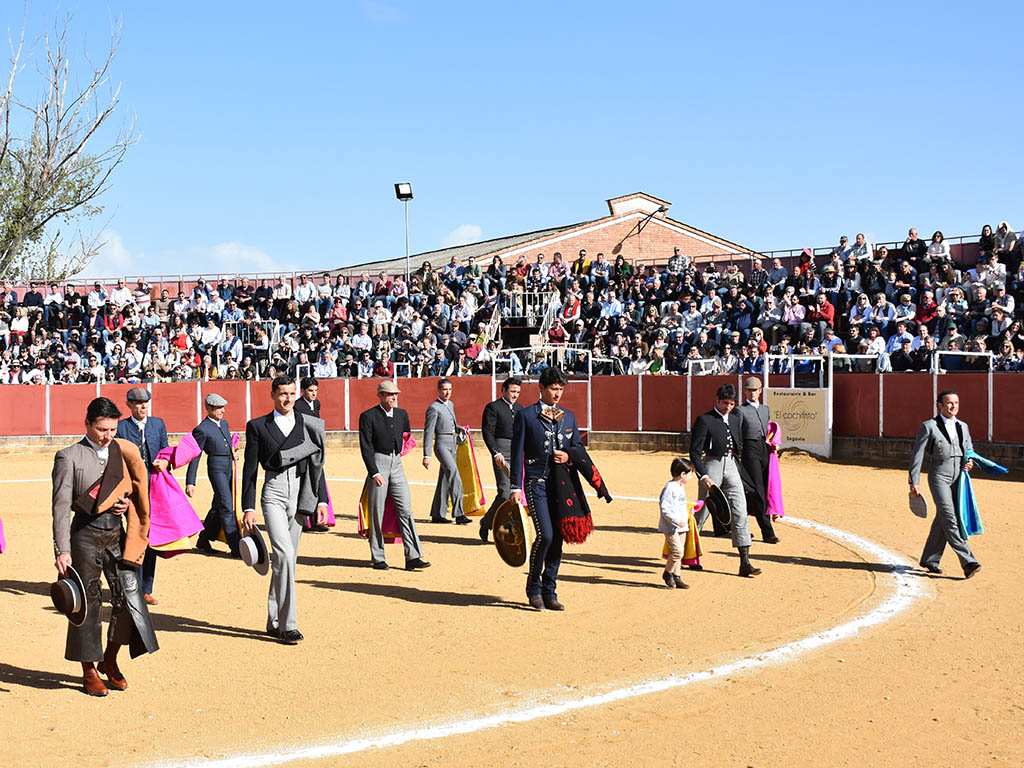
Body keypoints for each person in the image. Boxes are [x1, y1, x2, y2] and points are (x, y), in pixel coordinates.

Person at [51, 397, 157, 696]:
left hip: (117, 534)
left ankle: (110, 659)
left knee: (128, 599)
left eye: (111, 429)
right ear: (87, 424)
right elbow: (61, 507)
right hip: (84, 536)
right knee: (88, 605)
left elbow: (133, 489)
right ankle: (89, 669)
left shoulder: (122, 451)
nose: (107, 435)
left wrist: (124, 502)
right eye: (101, 429)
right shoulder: (68, 456)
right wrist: (62, 550)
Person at [241, 375, 329, 644]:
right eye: (282, 394)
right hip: (274, 492)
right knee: (285, 554)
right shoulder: (258, 426)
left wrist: (322, 499)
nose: (288, 398)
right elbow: (250, 469)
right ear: (272, 395)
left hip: (300, 491)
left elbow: (317, 463)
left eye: (292, 393)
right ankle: (288, 625)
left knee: (284, 561)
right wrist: (248, 506)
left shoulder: (307, 423)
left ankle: (274, 618)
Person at [511, 366, 583, 611]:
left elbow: (578, 449)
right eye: (553, 388)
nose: (557, 394)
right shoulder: (527, 415)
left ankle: (550, 590)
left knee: (559, 537)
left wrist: (569, 457)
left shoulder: (569, 416)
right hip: (535, 482)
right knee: (546, 535)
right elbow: (517, 451)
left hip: (561, 486)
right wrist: (514, 487)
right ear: (541, 388)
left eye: (561, 389)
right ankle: (533, 587)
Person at [689, 383, 762, 577]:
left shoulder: (735, 418)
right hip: (712, 465)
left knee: (740, 509)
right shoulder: (705, 420)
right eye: (724, 403)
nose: (727, 407)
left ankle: (745, 561)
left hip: (731, 465)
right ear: (717, 400)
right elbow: (695, 452)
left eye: (731, 404)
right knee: (702, 512)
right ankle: (687, 554)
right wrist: (703, 475)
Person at [908, 390, 981, 579]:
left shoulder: (963, 426)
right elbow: (917, 454)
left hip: (959, 478)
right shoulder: (929, 426)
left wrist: (970, 461)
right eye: (949, 403)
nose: (953, 406)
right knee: (950, 518)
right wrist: (914, 480)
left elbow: (969, 449)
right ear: (939, 405)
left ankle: (930, 559)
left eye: (956, 402)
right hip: (939, 476)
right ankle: (968, 561)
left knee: (943, 517)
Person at [358, 380, 429, 571]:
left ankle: (413, 556)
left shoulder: (401, 414)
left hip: (397, 463)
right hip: (378, 463)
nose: (394, 397)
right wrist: (374, 472)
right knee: (376, 511)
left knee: (406, 509)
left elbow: (406, 436)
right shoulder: (368, 416)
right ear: (380, 395)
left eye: (396, 394)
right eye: (390, 395)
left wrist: (401, 452)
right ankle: (378, 556)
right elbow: (366, 448)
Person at [115, 387, 169, 605]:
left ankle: (145, 588)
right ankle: (130, 585)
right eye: (137, 403)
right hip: (131, 489)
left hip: (154, 489)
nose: (143, 406)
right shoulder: (120, 428)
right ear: (129, 405)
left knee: (150, 537)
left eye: (145, 402)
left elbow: (165, 451)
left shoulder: (158, 424)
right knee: (132, 536)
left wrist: (165, 461)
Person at [186, 393, 241, 556]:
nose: (222, 410)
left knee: (219, 505)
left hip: (228, 466)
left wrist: (233, 453)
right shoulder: (202, 429)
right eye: (218, 408)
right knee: (226, 505)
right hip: (216, 468)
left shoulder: (224, 424)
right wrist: (191, 481)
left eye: (223, 407)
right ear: (208, 408)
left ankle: (204, 539)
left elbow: (225, 444)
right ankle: (236, 546)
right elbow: (195, 456)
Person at [478, 377, 523, 542]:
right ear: (503, 390)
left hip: (517, 451)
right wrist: (495, 452)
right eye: (512, 391)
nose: (515, 395)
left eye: (517, 392)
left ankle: (501, 526)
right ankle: (488, 522)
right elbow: (487, 432)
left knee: (518, 493)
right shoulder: (493, 407)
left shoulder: (520, 409)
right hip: (501, 451)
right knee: (504, 492)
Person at [736, 377, 780, 544]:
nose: (752, 393)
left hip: (764, 449)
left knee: (758, 490)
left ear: (760, 391)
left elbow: (768, 431)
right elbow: (738, 433)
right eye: (749, 390)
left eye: (755, 390)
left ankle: (738, 525)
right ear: (745, 391)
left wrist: (773, 445)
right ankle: (767, 531)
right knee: (758, 491)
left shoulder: (765, 410)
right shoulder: (740, 411)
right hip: (748, 450)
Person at [423, 378, 469, 524]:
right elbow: (429, 432)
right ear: (439, 390)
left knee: (444, 478)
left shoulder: (451, 404)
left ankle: (437, 514)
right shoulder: (433, 408)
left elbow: (449, 423)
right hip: (441, 445)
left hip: (452, 443)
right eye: (444, 389)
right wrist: (427, 454)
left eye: (449, 389)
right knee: (454, 474)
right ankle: (459, 513)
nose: (447, 392)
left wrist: (458, 428)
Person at [659, 457, 693, 590]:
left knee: (680, 551)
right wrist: (675, 520)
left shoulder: (680, 486)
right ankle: (667, 573)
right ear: (683, 474)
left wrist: (688, 512)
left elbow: (680, 504)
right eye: (690, 473)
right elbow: (665, 508)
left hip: (682, 525)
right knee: (677, 551)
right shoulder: (670, 488)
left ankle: (676, 576)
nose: (691, 476)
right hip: (671, 526)